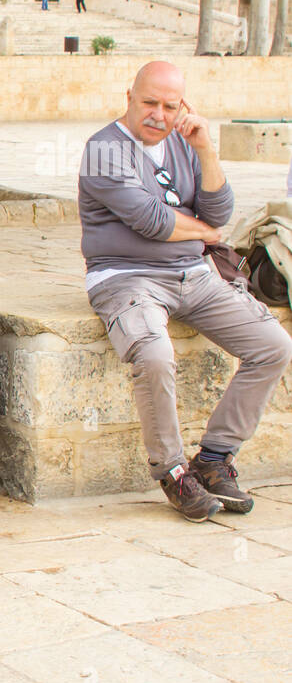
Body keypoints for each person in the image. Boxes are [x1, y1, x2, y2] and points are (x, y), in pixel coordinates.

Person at [79, 61, 292, 521]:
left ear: (183, 108)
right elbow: (151, 221)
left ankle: (215, 457)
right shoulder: (103, 149)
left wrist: (205, 148)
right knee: (154, 355)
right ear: (130, 97)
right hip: (125, 277)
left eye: (170, 106)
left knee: (273, 346)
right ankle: (174, 471)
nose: (158, 115)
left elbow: (220, 208)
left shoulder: (184, 141)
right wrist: (210, 232)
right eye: (150, 102)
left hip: (194, 275)